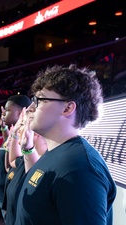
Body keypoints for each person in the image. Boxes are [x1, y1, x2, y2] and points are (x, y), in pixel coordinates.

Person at [15, 64, 117, 225]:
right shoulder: (57, 153)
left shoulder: (79, 168)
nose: (30, 108)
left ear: (68, 108)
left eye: (39, 100)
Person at [0, 94, 31, 221]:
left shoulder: (27, 136)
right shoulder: (14, 134)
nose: (4, 114)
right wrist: (5, 128)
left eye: (8, 110)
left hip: (15, 195)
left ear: (20, 113)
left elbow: (15, 164)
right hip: (5, 193)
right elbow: (9, 159)